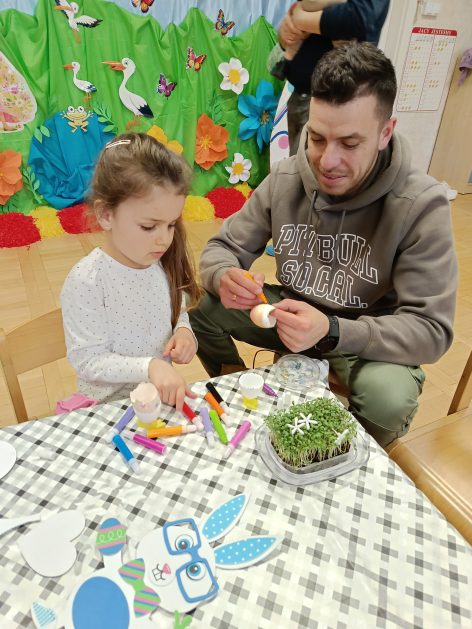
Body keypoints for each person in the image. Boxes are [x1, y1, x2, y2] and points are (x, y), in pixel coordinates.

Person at [189, 42, 458, 447]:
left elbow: (431, 330)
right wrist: (223, 274)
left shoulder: (420, 204)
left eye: (349, 144)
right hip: (289, 318)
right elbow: (221, 248)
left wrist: (333, 331)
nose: (327, 161)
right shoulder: (286, 179)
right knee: (200, 306)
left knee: (389, 398)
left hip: (363, 337)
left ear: (385, 133)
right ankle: (244, 399)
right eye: (317, 138)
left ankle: (353, 455)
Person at [61, 133, 201, 411]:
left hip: (157, 401)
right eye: (149, 227)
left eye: (171, 225)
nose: (164, 239)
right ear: (106, 215)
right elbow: (88, 361)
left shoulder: (161, 261)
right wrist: (150, 367)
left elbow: (177, 308)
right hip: (107, 408)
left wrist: (184, 332)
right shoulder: (87, 281)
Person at [277, 0, 390, 154]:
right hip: (303, 92)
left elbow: (359, 17)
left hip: (335, 97)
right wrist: (291, 23)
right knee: (299, 164)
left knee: (314, 165)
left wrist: (300, 19)